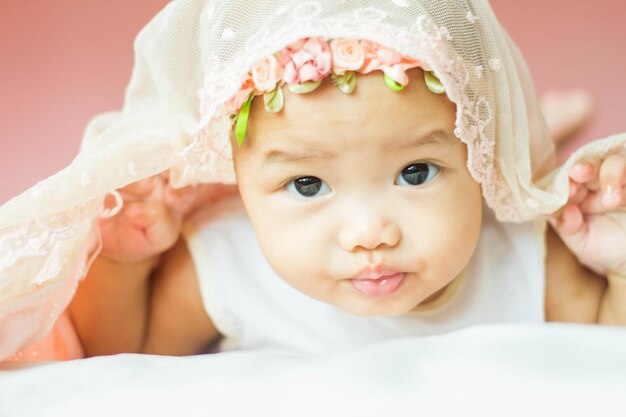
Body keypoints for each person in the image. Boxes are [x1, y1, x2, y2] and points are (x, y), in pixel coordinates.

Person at [2, 0, 625, 361]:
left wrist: (619, 270)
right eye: (307, 185)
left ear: (483, 159)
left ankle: (546, 122)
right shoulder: (224, 259)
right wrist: (123, 264)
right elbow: (129, 355)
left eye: (415, 172)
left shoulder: (525, 254)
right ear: (238, 180)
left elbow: (608, 346)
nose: (369, 233)